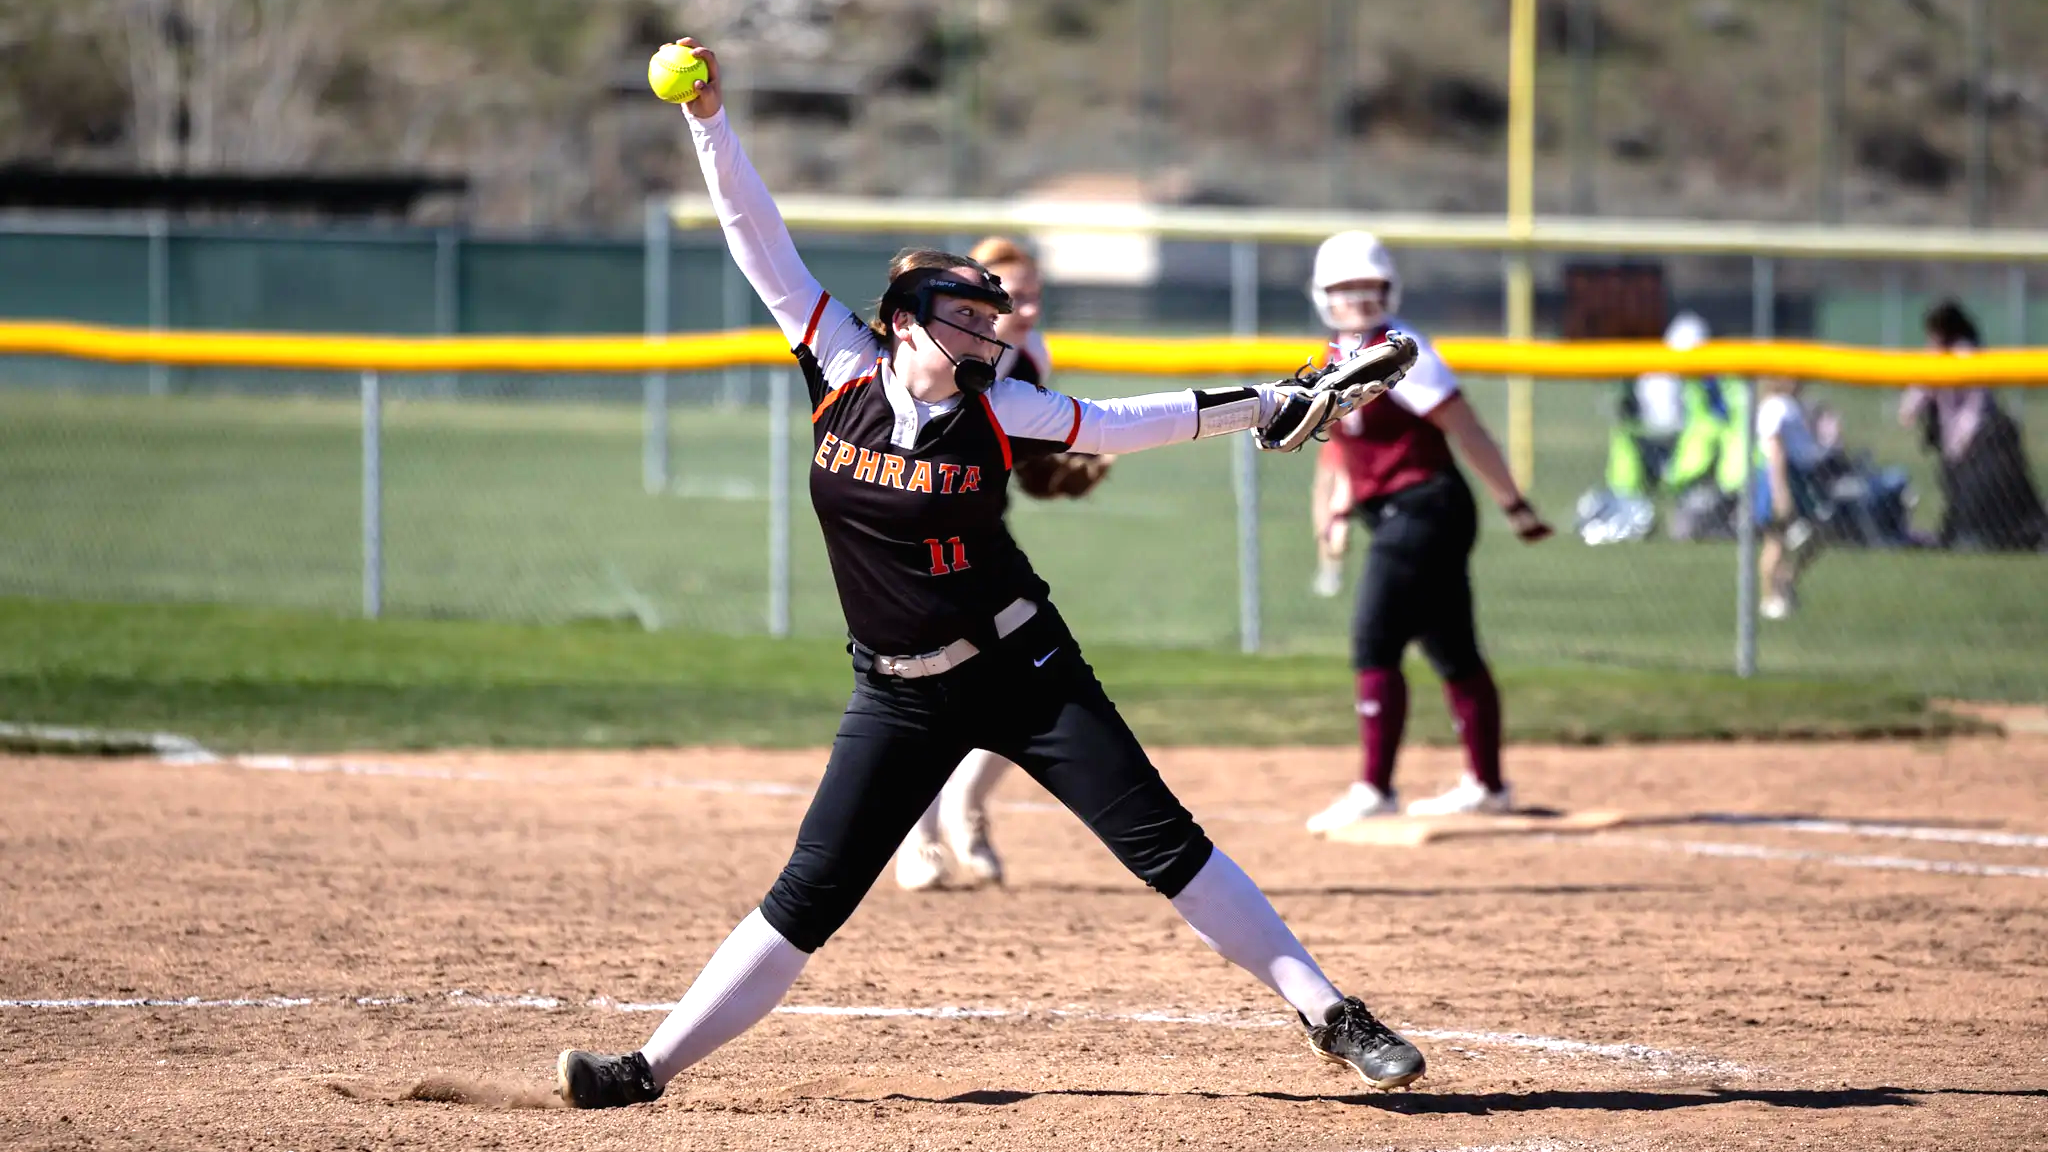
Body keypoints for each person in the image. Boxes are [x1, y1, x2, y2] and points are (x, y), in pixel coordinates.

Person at [554, 40, 1429, 1110]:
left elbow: (1124, 420)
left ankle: (1333, 1015)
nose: (988, 331)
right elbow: (754, 233)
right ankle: (644, 1069)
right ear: (905, 323)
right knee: (809, 894)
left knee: (1166, 847)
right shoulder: (838, 363)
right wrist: (708, 122)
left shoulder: (1000, 406)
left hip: (1025, 669)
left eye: (991, 317)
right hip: (896, 692)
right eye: (966, 317)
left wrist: (1266, 404)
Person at [1302, 231, 1553, 834]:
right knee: (1451, 648)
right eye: (1344, 288)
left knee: (1374, 639)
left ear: (1390, 289)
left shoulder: (1399, 351)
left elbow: (1466, 428)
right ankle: (1488, 786)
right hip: (1400, 512)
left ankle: (1375, 788)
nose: (1358, 298)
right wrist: (1336, 510)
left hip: (1426, 507)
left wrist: (1514, 503)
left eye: (1369, 286)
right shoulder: (1335, 353)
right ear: (1323, 295)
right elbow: (1341, 446)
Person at [893, 235, 1116, 891]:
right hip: (908, 536)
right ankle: (919, 839)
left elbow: (1019, 451)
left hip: (978, 531)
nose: (1024, 308)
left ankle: (965, 807)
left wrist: (1065, 470)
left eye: (1033, 295)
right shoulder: (938, 351)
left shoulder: (1030, 354)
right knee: (925, 686)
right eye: (1010, 295)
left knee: (1028, 676)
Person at [1899, 300, 2048, 552]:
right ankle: (1957, 530)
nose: (1932, 338)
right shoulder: (1936, 354)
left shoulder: (1965, 354)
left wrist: (1962, 439)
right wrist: (1910, 408)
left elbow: (1975, 404)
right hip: (1952, 439)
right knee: (1955, 487)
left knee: (1983, 488)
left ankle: (2003, 532)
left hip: (1979, 439)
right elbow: (1920, 388)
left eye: (1935, 331)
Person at [1754, 376, 1828, 620]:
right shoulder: (1776, 406)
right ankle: (1769, 598)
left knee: (1816, 533)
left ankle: (1785, 582)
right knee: (1775, 540)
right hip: (1779, 476)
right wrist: (1781, 492)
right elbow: (1775, 449)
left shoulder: (1791, 404)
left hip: (1798, 476)